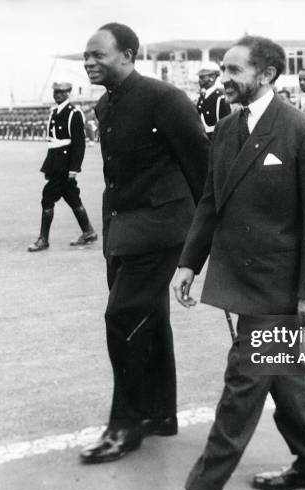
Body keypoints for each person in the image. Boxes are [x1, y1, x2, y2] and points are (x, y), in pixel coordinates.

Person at [157, 36, 305, 490]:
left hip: (278, 289)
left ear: (267, 75)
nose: (224, 79)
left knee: (242, 383)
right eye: (223, 69)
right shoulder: (224, 128)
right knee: (285, 377)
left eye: (235, 70)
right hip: (239, 280)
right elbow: (211, 202)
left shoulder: (302, 132)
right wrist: (188, 263)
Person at [79, 23, 209, 464]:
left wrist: (202, 240)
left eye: (99, 55)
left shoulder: (163, 99)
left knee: (123, 317)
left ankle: (125, 424)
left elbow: (201, 166)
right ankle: (159, 414)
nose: (90, 62)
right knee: (147, 319)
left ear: (129, 55)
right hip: (124, 231)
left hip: (163, 228)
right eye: (87, 56)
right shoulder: (106, 105)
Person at [28, 82, 97, 252]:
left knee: (48, 197)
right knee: (72, 197)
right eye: (55, 92)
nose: (57, 95)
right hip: (55, 162)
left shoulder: (73, 113)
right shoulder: (55, 112)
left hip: (65, 165)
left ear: (68, 93)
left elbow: (79, 143)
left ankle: (43, 239)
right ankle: (88, 232)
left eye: (61, 92)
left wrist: (74, 168)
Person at [196, 61, 231, 139]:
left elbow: (225, 126)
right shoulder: (203, 96)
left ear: (212, 77)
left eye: (202, 77)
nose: (199, 80)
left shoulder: (220, 98)